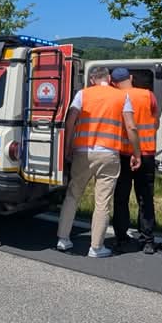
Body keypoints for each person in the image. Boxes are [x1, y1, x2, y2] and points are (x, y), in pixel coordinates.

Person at [56, 66, 142, 258]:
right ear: (109, 78)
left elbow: (70, 121)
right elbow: (131, 126)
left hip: (83, 153)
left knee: (73, 195)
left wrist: (68, 146)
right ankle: (96, 247)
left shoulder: (82, 94)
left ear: (92, 79)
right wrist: (137, 153)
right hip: (109, 154)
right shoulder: (122, 97)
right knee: (102, 202)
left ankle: (63, 239)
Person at [111, 67, 160, 254]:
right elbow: (155, 120)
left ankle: (121, 238)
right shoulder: (148, 95)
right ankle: (147, 240)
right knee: (145, 198)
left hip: (123, 154)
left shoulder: (115, 97)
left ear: (113, 82)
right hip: (146, 153)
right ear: (131, 78)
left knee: (121, 198)